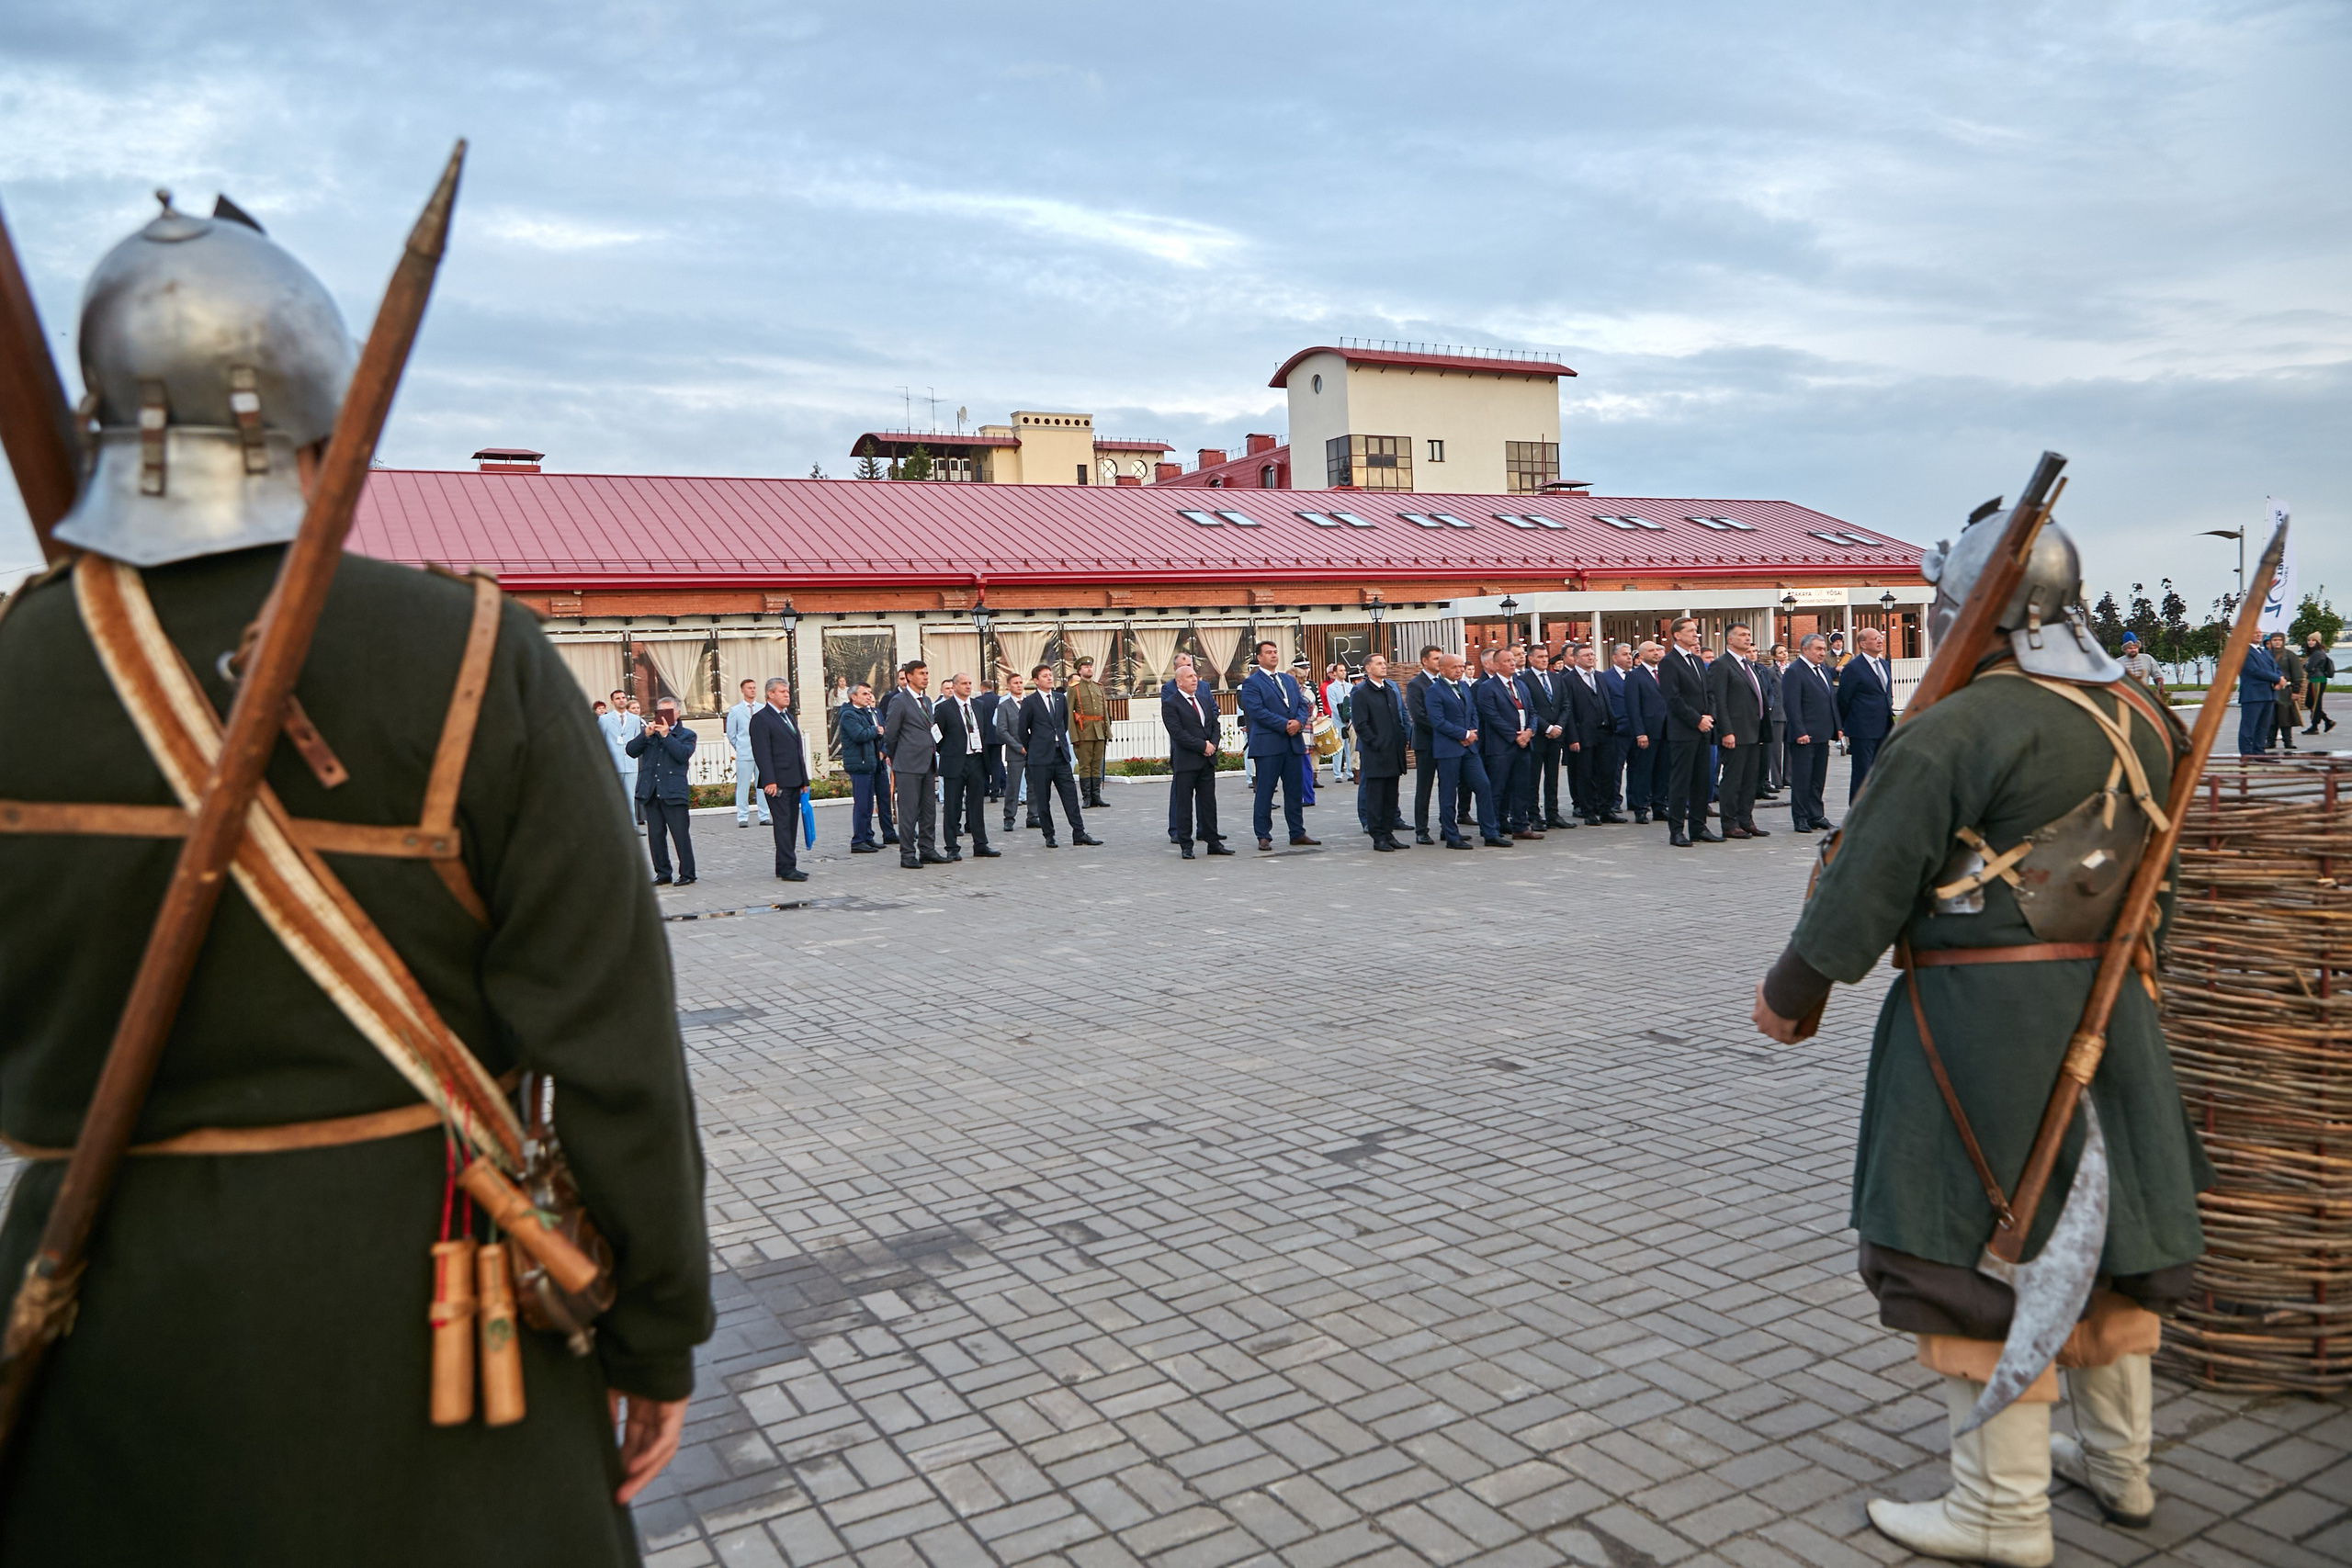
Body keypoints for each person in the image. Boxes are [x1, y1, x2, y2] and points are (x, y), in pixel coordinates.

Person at [0, 198, 708, 1562]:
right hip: (432, 1330)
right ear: (326, 423)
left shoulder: (15, 670)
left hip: (97, 1329)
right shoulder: (468, 653)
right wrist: (654, 1330)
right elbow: (615, 1047)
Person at [1752, 505, 2210, 1567]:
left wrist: (1791, 989)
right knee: (2102, 1240)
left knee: (1980, 1252)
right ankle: (2120, 1466)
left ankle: (2000, 1514)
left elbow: (1869, 876)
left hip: (1980, 1027)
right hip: (2112, 1008)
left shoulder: (1956, 728)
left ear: (1974, 611)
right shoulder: (2138, 710)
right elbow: (2162, 885)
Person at [1239, 642, 1317, 850]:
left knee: (1293, 791)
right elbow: (1257, 712)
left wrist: (1299, 722)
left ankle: (1297, 832)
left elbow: (1302, 705)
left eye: (1275, 652)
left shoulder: (1287, 680)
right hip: (1268, 745)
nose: (1274, 655)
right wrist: (1285, 725)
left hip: (1292, 744)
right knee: (1265, 791)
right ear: (1259, 657)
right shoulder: (1252, 683)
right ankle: (1263, 835)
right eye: (1268, 653)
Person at [1015, 664, 1100, 847]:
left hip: (1060, 755)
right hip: (1040, 758)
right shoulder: (1030, 702)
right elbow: (1022, 730)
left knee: (1070, 795)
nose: (1049, 678)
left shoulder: (1060, 699)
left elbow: (1063, 723)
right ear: (1036, 680)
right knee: (1043, 798)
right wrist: (1034, 747)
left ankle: (1079, 832)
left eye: (1050, 675)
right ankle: (1049, 835)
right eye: (1044, 676)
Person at [1425, 652, 1499, 849]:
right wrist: (1463, 734)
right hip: (1449, 749)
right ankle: (1451, 835)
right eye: (1454, 667)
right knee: (1448, 793)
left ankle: (1490, 832)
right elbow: (1438, 721)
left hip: (1469, 748)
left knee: (1483, 785)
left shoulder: (1465, 686)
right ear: (1442, 670)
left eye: (1461, 666)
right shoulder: (1435, 691)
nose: (1459, 670)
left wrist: (1471, 733)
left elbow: (1473, 711)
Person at [1659, 617, 1720, 847]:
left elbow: (1709, 692)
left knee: (1701, 781)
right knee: (1680, 781)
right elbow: (1673, 698)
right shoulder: (1669, 662)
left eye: (1696, 631)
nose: (1696, 634)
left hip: (1704, 730)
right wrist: (1696, 720)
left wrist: (1709, 716)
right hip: (1683, 731)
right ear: (1677, 635)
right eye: (1691, 631)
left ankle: (1698, 826)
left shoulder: (1696, 660)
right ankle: (1676, 830)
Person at [1705, 625, 1769, 839]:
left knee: (1751, 779)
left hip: (1754, 731)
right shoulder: (1721, 665)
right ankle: (1729, 822)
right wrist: (1726, 731)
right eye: (1742, 635)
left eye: (1749, 635)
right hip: (1735, 732)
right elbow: (1719, 701)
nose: (1747, 638)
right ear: (1729, 640)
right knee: (1733, 779)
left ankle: (1746, 819)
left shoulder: (1749, 665)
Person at [1162, 662, 1231, 858]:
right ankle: (1186, 844)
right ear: (1179, 682)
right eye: (1190, 676)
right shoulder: (1171, 703)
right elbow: (1177, 733)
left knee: (1208, 803)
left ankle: (1213, 841)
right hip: (1186, 761)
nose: (1195, 679)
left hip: (1207, 760)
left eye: (1195, 676)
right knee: (1184, 804)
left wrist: (1213, 744)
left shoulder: (1203, 699)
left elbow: (1214, 724)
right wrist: (1203, 746)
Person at [882, 660, 945, 868]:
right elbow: (891, 732)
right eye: (921, 673)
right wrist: (892, 754)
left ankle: (927, 849)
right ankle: (907, 853)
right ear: (909, 676)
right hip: (908, 763)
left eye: (927, 673)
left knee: (929, 810)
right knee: (909, 811)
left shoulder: (926, 701)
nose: (926, 677)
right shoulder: (900, 701)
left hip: (927, 762)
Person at [628, 698, 698, 886]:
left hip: (674, 791)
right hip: (652, 791)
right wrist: (645, 735)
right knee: (656, 836)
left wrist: (667, 736)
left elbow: (682, 755)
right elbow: (631, 750)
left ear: (678, 713)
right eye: (661, 711)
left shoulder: (686, 735)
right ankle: (663, 873)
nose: (664, 715)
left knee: (680, 834)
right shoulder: (651, 735)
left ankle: (688, 873)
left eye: (669, 711)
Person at [933, 672, 999, 862]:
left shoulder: (979, 705)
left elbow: (983, 730)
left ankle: (981, 844)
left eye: (970, 683)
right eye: (963, 683)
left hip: (976, 759)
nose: (968, 686)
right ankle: (952, 846)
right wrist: (949, 751)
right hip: (955, 761)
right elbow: (937, 736)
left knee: (976, 804)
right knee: (953, 805)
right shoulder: (945, 708)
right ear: (954, 686)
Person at [749, 679, 810, 882]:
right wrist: (769, 780)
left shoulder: (788, 717)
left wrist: (804, 779)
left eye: (788, 691)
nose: (787, 695)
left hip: (793, 779)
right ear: (770, 694)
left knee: (791, 824)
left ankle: (783, 865)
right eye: (782, 691)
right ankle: (788, 868)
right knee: (783, 825)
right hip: (777, 782)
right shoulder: (761, 719)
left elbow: (797, 751)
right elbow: (762, 752)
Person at [1475, 647, 1537, 839]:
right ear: (1495, 665)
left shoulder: (1520, 684)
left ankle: (1520, 825)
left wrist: (1529, 732)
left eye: (1513, 660)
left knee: (1521, 787)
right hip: (1501, 746)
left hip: (1524, 744)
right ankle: (1492, 829)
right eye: (1507, 661)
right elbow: (1491, 716)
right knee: (1497, 789)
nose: (1513, 663)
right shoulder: (1487, 687)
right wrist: (1514, 735)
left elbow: (1532, 711)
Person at [1351, 653, 1409, 852]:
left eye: (1384, 663)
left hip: (1393, 752)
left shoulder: (1390, 690)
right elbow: (1361, 724)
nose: (1384, 666)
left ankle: (1389, 832)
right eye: (1379, 664)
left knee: (1391, 796)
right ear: (1368, 668)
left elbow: (1398, 719)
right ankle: (1378, 837)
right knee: (1376, 796)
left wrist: (1401, 739)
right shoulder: (1361, 692)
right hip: (1376, 753)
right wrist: (1376, 743)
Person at [1784, 633, 1840, 833]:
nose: (1821, 653)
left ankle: (1816, 815)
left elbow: (1830, 699)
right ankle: (1800, 817)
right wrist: (1800, 731)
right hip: (1804, 736)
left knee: (1818, 778)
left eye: (1823, 649)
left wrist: (1837, 727)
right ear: (1804, 650)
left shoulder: (1823, 670)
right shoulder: (1795, 671)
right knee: (1802, 779)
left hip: (1822, 733)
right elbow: (1792, 705)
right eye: (1817, 649)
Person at [1563, 643, 1621, 825]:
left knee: (1607, 773)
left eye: (1592, 654)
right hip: (1583, 734)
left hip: (1605, 732)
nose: (1590, 657)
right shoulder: (1568, 680)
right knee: (1585, 774)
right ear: (1576, 658)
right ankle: (1588, 811)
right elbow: (1568, 711)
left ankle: (1606, 809)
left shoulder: (1601, 677)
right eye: (1586, 655)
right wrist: (1573, 737)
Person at [1838, 626, 1896, 796]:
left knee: (1881, 772)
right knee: (1863, 773)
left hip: (1884, 727)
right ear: (1863, 644)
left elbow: (1886, 693)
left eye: (1880, 637)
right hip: (1862, 728)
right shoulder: (1854, 667)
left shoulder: (1884, 664)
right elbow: (1843, 698)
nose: (1880, 640)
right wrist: (1846, 723)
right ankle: (1857, 812)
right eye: (1875, 638)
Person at [1521, 645, 1569, 829]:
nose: (1543, 660)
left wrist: (1558, 726)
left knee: (1553, 777)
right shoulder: (1524, 680)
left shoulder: (1556, 678)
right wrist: (1546, 727)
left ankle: (1553, 814)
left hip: (1555, 736)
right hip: (1537, 736)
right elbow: (1528, 707)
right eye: (1539, 657)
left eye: (1545, 656)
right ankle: (1533, 815)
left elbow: (1565, 704)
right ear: (1530, 659)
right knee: (1533, 778)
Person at [1622, 640, 1669, 825]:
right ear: (1641, 656)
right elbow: (1633, 707)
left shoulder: (1665, 674)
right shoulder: (1635, 676)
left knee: (1663, 771)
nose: (1656, 653)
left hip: (1666, 730)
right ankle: (1641, 808)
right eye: (1651, 651)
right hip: (1647, 732)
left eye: (1658, 650)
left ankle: (1660, 806)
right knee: (1644, 771)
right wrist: (1639, 732)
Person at [836, 684, 886, 853]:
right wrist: (875, 730)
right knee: (862, 804)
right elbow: (859, 735)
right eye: (864, 694)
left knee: (868, 804)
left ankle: (868, 836)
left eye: (870, 693)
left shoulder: (865, 712)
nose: (869, 696)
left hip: (870, 763)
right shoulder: (849, 714)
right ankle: (858, 840)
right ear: (853, 697)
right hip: (859, 764)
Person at [1405, 645, 1443, 844]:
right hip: (1427, 742)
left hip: (1446, 744)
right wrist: (1445, 728)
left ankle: (1447, 826)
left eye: (1440, 658)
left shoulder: (1445, 682)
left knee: (1447, 786)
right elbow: (1419, 716)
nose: (1440, 661)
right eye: (1436, 658)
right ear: (1425, 661)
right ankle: (1422, 830)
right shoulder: (1416, 684)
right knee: (1424, 787)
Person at [724, 677, 771, 829]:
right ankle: (742, 817)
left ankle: (764, 815)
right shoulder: (735, 711)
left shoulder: (763, 708)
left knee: (763, 785)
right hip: (745, 753)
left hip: (762, 753)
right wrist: (740, 747)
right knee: (743, 786)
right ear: (742, 690)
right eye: (749, 688)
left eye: (754, 687)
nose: (753, 690)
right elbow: (731, 733)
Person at [1068, 655, 1112, 808]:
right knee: (1085, 765)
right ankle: (1087, 797)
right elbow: (1069, 714)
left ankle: (1096, 796)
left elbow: (1104, 711)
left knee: (1096, 764)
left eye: (1090, 666)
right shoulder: (1074, 689)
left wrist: (1108, 731)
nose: (1089, 669)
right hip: (1083, 732)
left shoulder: (1098, 687)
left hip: (1099, 731)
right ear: (1079, 671)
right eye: (1086, 667)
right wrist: (1074, 736)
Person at [1598, 644, 1634, 821]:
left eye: (1630, 654)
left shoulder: (1636, 676)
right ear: (1614, 658)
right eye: (1625, 654)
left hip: (1637, 730)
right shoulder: (1606, 678)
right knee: (1614, 769)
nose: (1629, 657)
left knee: (1638, 768)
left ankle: (1636, 800)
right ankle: (1613, 801)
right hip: (1618, 730)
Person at [598, 686, 645, 823]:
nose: (621, 701)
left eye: (623, 698)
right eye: (618, 698)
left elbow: (638, 739)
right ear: (612, 701)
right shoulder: (605, 720)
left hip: (630, 762)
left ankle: (632, 826)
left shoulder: (634, 719)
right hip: (614, 763)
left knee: (630, 795)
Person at [998, 669, 1034, 832]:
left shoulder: (1031, 703)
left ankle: (1034, 816)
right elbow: (1001, 730)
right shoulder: (1004, 706)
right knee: (1013, 786)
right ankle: (1009, 818)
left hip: (1033, 750)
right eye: (1015, 683)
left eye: (1021, 683)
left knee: (1034, 785)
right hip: (1015, 752)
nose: (1019, 686)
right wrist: (1018, 747)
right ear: (1008, 686)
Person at [2238, 635, 2285, 756]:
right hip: (2253, 695)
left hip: (2268, 694)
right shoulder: (2244, 651)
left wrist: (2280, 678)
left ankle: (2259, 753)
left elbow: (2276, 668)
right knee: (2249, 727)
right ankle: (2247, 755)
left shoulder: (2263, 652)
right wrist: (2277, 678)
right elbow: (2254, 670)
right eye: (2255, 632)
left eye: (2259, 632)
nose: (2259, 634)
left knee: (2263, 727)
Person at [1288, 657, 1319, 806]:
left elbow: (1305, 713)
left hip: (1304, 735)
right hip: (1300, 734)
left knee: (1304, 768)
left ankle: (1308, 797)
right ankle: (1303, 796)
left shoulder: (1306, 694)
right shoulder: (1299, 693)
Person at [2267, 632, 2304, 750]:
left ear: (2283, 641)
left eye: (2279, 640)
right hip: (2270, 690)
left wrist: (2296, 691)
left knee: (2286, 718)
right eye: (2274, 640)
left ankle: (2288, 741)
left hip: (2285, 691)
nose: (2277, 642)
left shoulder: (2290, 656)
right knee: (2271, 718)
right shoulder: (2266, 655)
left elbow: (2297, 674)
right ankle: (2270, 741)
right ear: (2271, 642)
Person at [1760, 644, 1789, 798]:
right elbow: (1768, 691)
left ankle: (1788, 777)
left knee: (1790, 747)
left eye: (1785, 651)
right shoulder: (1771, 672)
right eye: (1780, 652)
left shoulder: (1790, 670)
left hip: (1789, 712)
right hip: (1777, 712)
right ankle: (1777, 779)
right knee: (1776, 748)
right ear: (1774, 656)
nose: (1784, 654)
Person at [975, 679, 1004, 800]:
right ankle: (996, 791)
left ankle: (985, 788)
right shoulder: (999, 700)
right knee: (996, 763)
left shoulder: (978, 701)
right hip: (997, 736)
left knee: (983, 763)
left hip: (983, 737)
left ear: (982, 688)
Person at [2116, 633, 2164, 703]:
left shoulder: (2147, 658)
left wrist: (2160, 683)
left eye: (2135, 648)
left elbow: (2157, 673)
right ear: (2125, 649)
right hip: (2126, 697)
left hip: (2144, 695)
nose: (2133, 650)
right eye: (2130, 648)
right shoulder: (2118, 662)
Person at [2304, 632, 2336, 734]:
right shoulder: (2314, 653)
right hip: (2314, 679)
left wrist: (2306, 666)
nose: (2310, 642)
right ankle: (2327, 721)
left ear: (2318, 642)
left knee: (2315, 703)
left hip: (2318, 679)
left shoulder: (2318, 653)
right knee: (2309, 702)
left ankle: (2314, 726)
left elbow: (2308, 667)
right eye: (2309, 640)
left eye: (2313, 640)